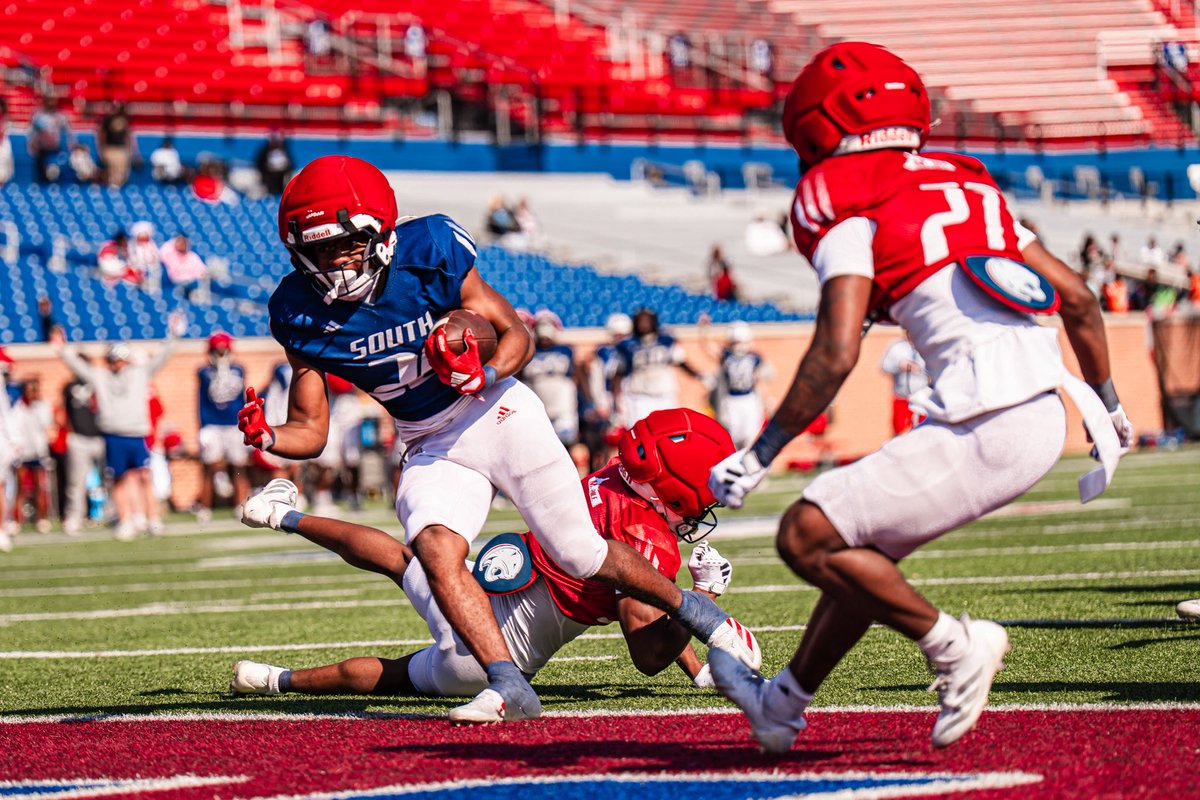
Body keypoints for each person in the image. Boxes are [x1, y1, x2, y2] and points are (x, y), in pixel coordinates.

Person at [706, 42, 1133, 753]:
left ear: (815, 123)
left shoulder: (839, 195)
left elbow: (836, 350)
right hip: (1043, 406)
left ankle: (955, 646)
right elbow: (1082, 301)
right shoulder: (971, 185)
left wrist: (762, 452)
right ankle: (779, 705)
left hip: (985, 413)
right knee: (860, 551)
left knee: (805, 536)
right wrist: (1111, 406)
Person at [237, 155, 759, 724]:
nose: (334, 260)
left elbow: (515, 335)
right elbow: (310, 431)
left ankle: (704, 619)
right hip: (429, 439)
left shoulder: (429, 250)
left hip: (494, 408)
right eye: (320, 248)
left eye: (347, 243)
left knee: (578, 552)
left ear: (381, 234)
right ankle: (508, 684)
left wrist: (479, 366)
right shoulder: (298, 312)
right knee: (435, 549)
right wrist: (269, 437)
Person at [230, 408, 746, 698]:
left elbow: (644, 597)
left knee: (400, 557)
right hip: (492, 657)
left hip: (472, 589)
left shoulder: (607, 480)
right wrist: (701, 595)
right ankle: (274, 680)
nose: (703, 508)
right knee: (394, 674)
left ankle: (281, 515)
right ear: (672, 490)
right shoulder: (649, 542)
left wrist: (697, 669)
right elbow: (648, 652)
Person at [53, 318, 182, 540]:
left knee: (144, 476)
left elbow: (161, 358)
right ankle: (126, 519)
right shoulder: (100, 376)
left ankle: (153, 519)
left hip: (136, 433)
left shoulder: (139, 373)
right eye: (113, 359)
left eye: (120, 359)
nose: (117, 364)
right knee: (119, 479)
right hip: (113, 434)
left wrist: (173, 336)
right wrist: (62, 349)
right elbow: (79, 367)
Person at [612, 307, 710, 430]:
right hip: (639, 396)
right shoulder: (627, 346)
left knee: (670, 432)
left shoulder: (666, 341)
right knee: (640, 433)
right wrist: (616, 398)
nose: (644, 324)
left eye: (647, 320)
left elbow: (680, 362)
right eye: (641, 320)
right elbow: (618, 373)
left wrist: (698, 375)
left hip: (664, 394)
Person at [196, 331, 250, 523]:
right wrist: (202, 426)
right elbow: (201, 400)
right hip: (213, 425)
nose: (220, 353)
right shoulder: (203, 372)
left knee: (238, 467)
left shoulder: (239, 370)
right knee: (209, 467)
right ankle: (204, 507)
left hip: (233, 424)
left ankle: (241, 504)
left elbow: (241, 399)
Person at [60, 360, 106, 536]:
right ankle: (74, 517)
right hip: (79, 438)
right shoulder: (69, 387)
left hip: (101, 437)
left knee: (110, 478)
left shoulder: (100, 384)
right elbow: (64, 413)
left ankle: (113, 514)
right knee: (76, 483)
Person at [520, 313, 579, 449]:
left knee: (566, 444)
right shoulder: (529, 352)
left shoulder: (565, 351)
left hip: (563, 407)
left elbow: (576, 376)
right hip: (539, 407)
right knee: (540, 446)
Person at [581, 312, 631, 473]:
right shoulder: (604, 352)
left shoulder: (632, 349)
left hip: (630, 398)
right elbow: (598, 378)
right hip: (611, 399)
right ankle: (611, 475)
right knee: (610, 441)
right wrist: (600, 401)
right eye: (618, 334)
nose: (620, 338)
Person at [715, 322, 771, 450]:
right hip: (732, 399)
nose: (738, 346)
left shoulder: (754, 357)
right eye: (735, 343)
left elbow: (762, 380)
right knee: (733, 436)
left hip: (749, 399)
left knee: (750, 436)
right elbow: (709, 349)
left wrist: (767, 400)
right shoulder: (726, 356)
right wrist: (704, 330)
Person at [10, 378, 54, 533]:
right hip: (22, 453)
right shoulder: (18, 407)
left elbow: (45, 423)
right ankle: (16, 520)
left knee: (39, 487)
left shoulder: (42, 406)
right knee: (20, 487)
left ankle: (41, 519)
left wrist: (36, 406)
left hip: (38, 452)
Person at [879, 335, 928, 436]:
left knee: (923, 433)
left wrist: (920, 370)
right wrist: (899, 365)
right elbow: (883, 367)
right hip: (902, 398)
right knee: (901, 432)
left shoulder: (928, 345)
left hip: (924, 399)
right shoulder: (897, 346)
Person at [28, 95, 73, 183]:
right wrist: (32, 145)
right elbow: (32, 133)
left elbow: (68, 134)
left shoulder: (60, 117)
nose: (51, 103)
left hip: (56, 150)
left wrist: (71, 146)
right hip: (42, 150)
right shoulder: (38, 116)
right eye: (49, 100)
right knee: (42, 175)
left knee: (55, 173)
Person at [97, 101, 138, 189]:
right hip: (110, 148)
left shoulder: (124, 120)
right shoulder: (107, 120)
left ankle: (117, 187)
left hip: (121, 148)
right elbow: (102, 135)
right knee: (113, 170)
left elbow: (128, 135)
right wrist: (101, 149)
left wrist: (130, 149)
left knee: (123, 171)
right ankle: (111, 188)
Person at [159, 234, 209, 300]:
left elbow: (203, 271)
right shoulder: (171, 255)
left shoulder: (192, 256)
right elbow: (162, 253)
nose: (182, 244)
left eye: (184, 242)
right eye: (179, 241)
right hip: (178, 282)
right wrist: (174, 240)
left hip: (194, 282)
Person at [256, 131, 294, 196]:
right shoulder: (264, 151)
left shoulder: (284, 150)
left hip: (281, 177)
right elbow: (259, 163)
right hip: (269, 177)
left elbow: (290, 165)